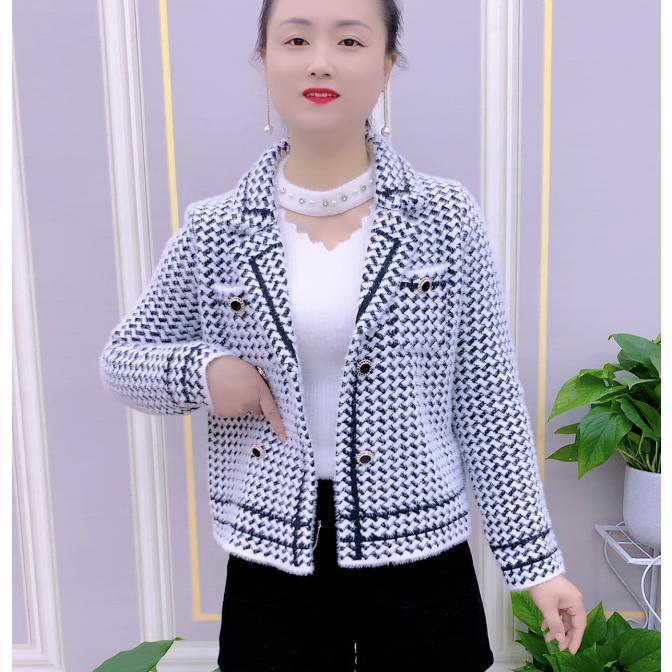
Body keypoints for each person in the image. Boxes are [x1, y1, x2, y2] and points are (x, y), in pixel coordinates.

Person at [99, 0, 587, 669]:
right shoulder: (216, 230)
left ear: (387, 65)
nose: (320, 61)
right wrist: (206, 372)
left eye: (350, 41)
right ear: (265, 59)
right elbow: (123, 359)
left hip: (421, 549)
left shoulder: (445, 220)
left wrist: (537, 565)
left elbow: (488, 403)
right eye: (296, 39)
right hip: (273, 553)